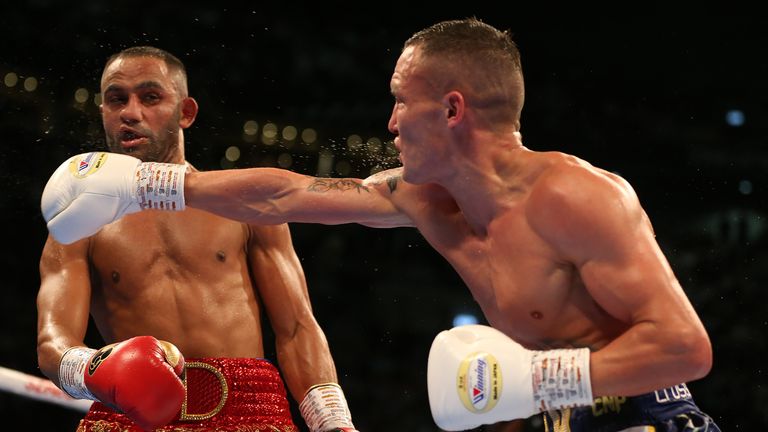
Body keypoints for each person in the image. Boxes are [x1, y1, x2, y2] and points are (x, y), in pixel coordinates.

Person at [40, 19, 721, 432]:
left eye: (401, 101)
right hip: (550, 415)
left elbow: (687, 349)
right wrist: (159, 184)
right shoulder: (421, 197)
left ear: (451, 110)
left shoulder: (577, 196)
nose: (390, 123)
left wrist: (539, 381)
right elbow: (288, 195)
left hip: (641, 414)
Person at [36, 46, 359, 432]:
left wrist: (332, 421)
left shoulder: (242, 205)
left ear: (185, 112)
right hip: (133, 414)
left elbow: (296, 328)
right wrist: (95, 368)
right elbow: (52, 343)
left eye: (150, 97)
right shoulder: (76, 223)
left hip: (247, 406)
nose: (130, 112)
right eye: (116, 99)